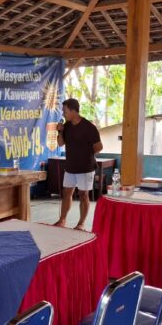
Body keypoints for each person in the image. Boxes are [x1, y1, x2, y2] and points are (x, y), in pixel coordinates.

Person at [54, 98, 102, 231]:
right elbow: (60, 144)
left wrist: (85, 154)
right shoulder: (67, 126)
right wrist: (60, 131)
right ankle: (62, 219)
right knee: (67, 192)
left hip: (85, 168)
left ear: (73, 111)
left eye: (65, 111)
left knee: (83, 194)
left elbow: (99, 147)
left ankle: (81, 223)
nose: (63, 114)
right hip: (70, 166)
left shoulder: (89, 127)